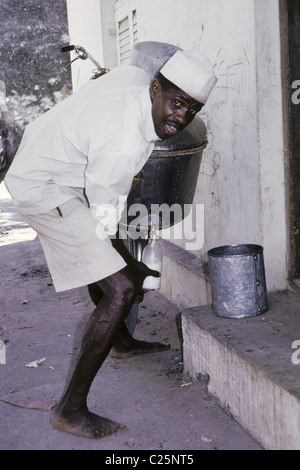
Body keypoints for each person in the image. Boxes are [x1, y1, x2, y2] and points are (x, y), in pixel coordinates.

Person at [4, 48, 217, 439]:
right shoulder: (122, 142)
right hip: (42, 184)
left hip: (60, 161)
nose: (182, 117)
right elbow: (103, 218)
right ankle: (69, 410)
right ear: (157, 89)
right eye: (177, 103)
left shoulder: (136, 79)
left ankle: (118, 340)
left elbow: (136, 61)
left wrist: (120, 257)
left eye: (193, 109)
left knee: (116, 266)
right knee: (120, 287)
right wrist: (125, 270)